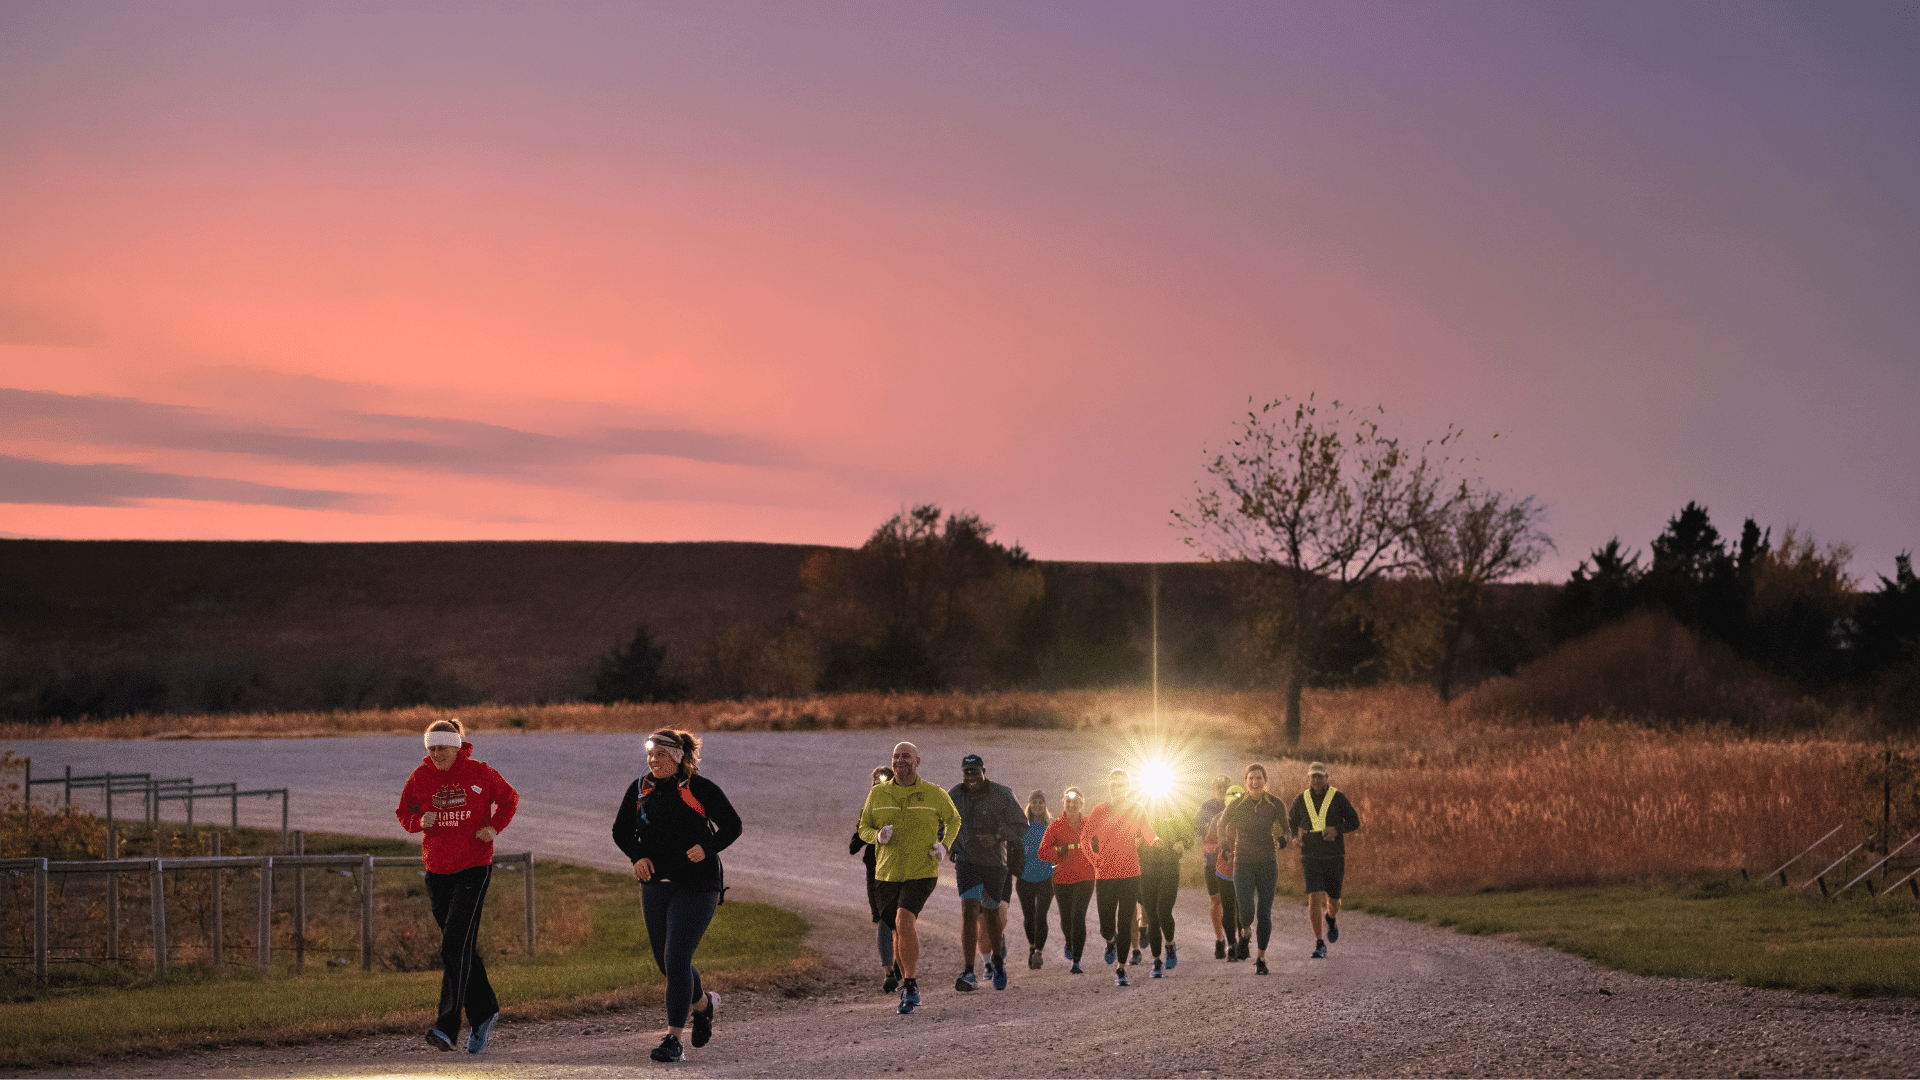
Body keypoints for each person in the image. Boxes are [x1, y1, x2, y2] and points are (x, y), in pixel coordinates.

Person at [611, 728, 743, 1063]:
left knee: (676, 957)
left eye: (660, 755)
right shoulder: (641, 789)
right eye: (650, 754)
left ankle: (673, 1039)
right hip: (656, 883)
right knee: (664, 962)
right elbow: (620, 831)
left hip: (698, 884)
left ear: (678, 757)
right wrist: (636, 857)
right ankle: (703, 1004)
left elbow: (732, 825)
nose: (653, 761)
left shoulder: (698, 787)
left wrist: (706, 847)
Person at [395, 718, 520, 1054]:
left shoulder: (480, 773)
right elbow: (404, 811)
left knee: (452, 945)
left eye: (442, 748)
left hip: (473, 869)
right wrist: (419, 820)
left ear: (457, 747)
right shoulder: (420, 777)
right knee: (459, 946)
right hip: (437, 871)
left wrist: (494, 827)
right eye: (431, 748)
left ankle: (447, 1026)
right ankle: (485, 1011)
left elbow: (509, 799)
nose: (436, 754)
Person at [857, 741, 962, 1015]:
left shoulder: (933, 793)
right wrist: (876, 836)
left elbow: (954, 820)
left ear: (917, 762)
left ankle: (911, 985)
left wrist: (944, 844)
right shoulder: (878, 794)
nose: (900, 761)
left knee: (905, 920)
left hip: (921, 871)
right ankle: (905, 980)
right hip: (886, 874)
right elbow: (863, 827)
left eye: (906, 756)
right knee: (895, 929)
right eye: (896, 756)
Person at [947, 753, 1029, 993]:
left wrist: (996, 836)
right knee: (969, 910)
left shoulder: (1002, 794)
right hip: (967, 862)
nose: (971, 777)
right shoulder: (954, 795)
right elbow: (941, 822)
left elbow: (1021, 826)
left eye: (975, 772)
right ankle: (969, 970)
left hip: (994, 864)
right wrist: (952, 844)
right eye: (966, 772)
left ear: (984, 771)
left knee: (991, 914)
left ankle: (998, 962)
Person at [1082, 769, 1157, 987]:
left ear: (1128, 787)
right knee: (1106, 924)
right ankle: (1110, 940)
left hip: (1130, 873)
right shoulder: (1099, 811)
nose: (1118, 788)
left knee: (1125, 923)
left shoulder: (1137, 809)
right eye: (1114, 785)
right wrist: (1094, 860)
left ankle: (1121, 969)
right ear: (1109, 787)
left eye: (1122, 785)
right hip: (1105, 874)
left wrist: (1156, 841)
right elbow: (1085, 839)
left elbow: (1148, 833)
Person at [1219, 762, 1287, 975]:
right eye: (1251, 779)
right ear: (1245, 782)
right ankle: (1246, 932)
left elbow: (1287, 828)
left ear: (1265, 781)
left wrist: (1283, 840)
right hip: (1244, 863)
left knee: (1264, 912)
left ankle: (1261, 958)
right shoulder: (1238, 805)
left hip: (1267, 862)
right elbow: (1221, 825)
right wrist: (1223, 845)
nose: (1255, 782)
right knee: (1246, 911)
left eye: (1259, 778)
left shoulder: (1275, 803)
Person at [1289, 761, 1360, 960]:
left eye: (1320, 776)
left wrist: (1336, 830)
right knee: (1314, 897)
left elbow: (1354, 821)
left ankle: (1330, 918)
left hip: (1334, 855)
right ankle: (1320, 943)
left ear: (1327, 778)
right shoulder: (1301, 799)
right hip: (1310, 855)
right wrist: (1295, 837)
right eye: (1313, 776)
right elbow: (1291, 821)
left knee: (1334, 900)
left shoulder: (1338, 797)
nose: (1317, 780)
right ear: (1308, 778)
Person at [850, 765, 899, 991]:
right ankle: (889, 971)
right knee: (882, 920)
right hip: (876, 871)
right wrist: (862, 839)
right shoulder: (868, 809)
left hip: (900, 869)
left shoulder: (902, 807)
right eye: (877, 782)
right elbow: (858, 836)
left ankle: (900, 963)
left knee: (900, 919)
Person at [1037, 786, 1094, 974]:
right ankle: (1069, 942)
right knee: (1066, 920)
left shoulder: (1089, 824)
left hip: (1085, 877)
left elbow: (1102, 844)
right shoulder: (1055, 826)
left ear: (1081, 804)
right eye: (1068, 801)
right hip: (1062, 879)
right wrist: (1057, 852)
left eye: (1075, 801)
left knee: (1078, 917)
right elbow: (1042, 852)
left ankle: (1076, 961)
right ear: (1064, 803)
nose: (1071, 805)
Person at [1139, 790, 1196, 978]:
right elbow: (1129, 832)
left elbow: (1189, 833)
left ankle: (1170, 945)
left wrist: (1183, 842)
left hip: (1169, 864)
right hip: (1147, 867)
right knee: (1152, 915)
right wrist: (1135, 840)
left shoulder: (1176, 808)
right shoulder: (1140, 809)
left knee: (1163, 910)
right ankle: (1156, 961)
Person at [1015, 790, 1055, 970]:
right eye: (1034, 802)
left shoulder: (1051, 827)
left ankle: (1038, 951)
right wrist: (1017, 871)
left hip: (1046, 877)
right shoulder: (1021, 826)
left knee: (1041, 915)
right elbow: (1013, 852)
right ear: (1029, 804)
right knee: (1029, 916)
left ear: (1045, 805)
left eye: (1041, 802)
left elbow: (1057, 851)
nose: (1037, 805)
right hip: (1025, 879)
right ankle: (1032, 947)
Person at [1205, 784, 1245, 961]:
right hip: (1224, 869)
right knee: (1228, 908)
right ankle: (1231, 945)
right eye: (1231, 803)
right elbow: (1208, 843)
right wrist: (1220, 849)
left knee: (1242, 909)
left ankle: (1243, 940)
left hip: (1246, 869)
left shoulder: (1251, 820)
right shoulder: (1217, 820)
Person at [1194, 775, 1231, 959]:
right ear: (1213, 789)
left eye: (1225, 787)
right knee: (1216, 900)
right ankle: (1219, 939)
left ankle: (1236, 938)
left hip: (1233, 860)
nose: (1222, 790)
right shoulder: (1207, 806)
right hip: (1211, 860)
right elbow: (1196, 826)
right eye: (1218, 787)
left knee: (1234, 900)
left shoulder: (1236, 803)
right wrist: (1210, 827)